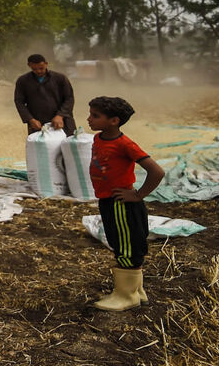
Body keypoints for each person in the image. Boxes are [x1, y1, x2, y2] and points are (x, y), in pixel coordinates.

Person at [86, 95, 165, 311]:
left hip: (121, 203)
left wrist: (138, 195)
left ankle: (126, 295)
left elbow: (156, 171)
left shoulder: (125, 144)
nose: (89, 119)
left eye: (95, 115)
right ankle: (136, 291)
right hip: (108, 201)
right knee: (119, 242)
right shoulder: (99, 138)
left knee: (127, 246)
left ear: (114, 120)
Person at [14, 54, 75, 136]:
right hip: (37, 124)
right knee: (41, 147)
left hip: (62, 122)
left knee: (66, 146)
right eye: (34, 69)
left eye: (41, 68)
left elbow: (69, 98)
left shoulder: (60, 78)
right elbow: (19, 102)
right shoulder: (23, 81)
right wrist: (30, 119)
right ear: (29, 65)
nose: (38, 71)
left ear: (46, 64)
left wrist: (60, 115)